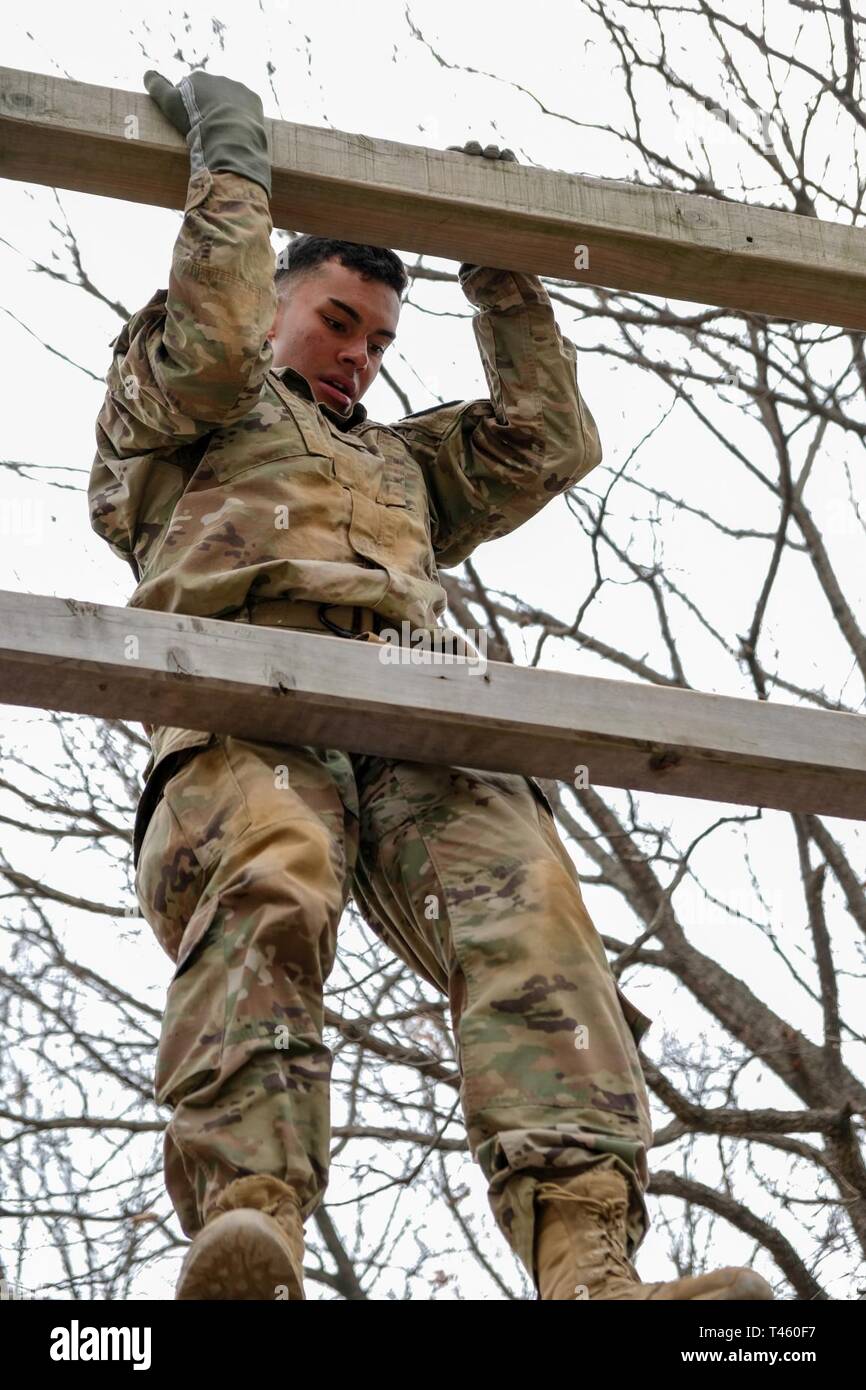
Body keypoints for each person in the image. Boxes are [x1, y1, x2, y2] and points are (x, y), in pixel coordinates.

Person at [88, 71, 773, 1303]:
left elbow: (544, 438)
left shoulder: (399, 462)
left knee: (530, 916)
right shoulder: (184, 415)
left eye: (378, 342)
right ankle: (250, 1236)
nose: (358, 357)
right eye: (339, 320)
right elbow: (215, 339)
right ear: (281, 297)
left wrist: (496, 265)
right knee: (271, 879)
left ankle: (585, 1265)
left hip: (415, 704)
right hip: (248, 686)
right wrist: (232, 169)